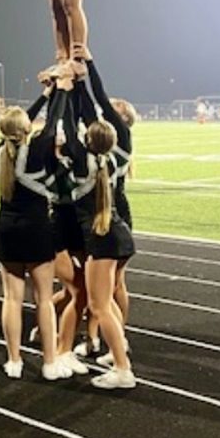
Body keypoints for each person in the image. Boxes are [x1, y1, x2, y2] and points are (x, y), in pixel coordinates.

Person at [0, 75, 74, 381]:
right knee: (43, 298)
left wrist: (45, 94)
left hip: (7, 229)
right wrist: (60, 92)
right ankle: (49, 363)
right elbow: (52, 123)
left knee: (11, 299)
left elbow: (18, 126)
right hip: (38, 229)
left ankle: (14, 361)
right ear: (27, 129)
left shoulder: (1, 153)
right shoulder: (39, 149)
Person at [60, 91, 136, 390]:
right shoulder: (113, 161)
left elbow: (68, 125)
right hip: (117, 235)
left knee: (99, 306)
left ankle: (123, 369)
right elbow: (78, 123)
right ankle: (120, 350)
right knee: (104, 303)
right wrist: (77, 83)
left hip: (103, 240)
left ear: (87, 142)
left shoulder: (83, 166)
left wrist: (66, 90)